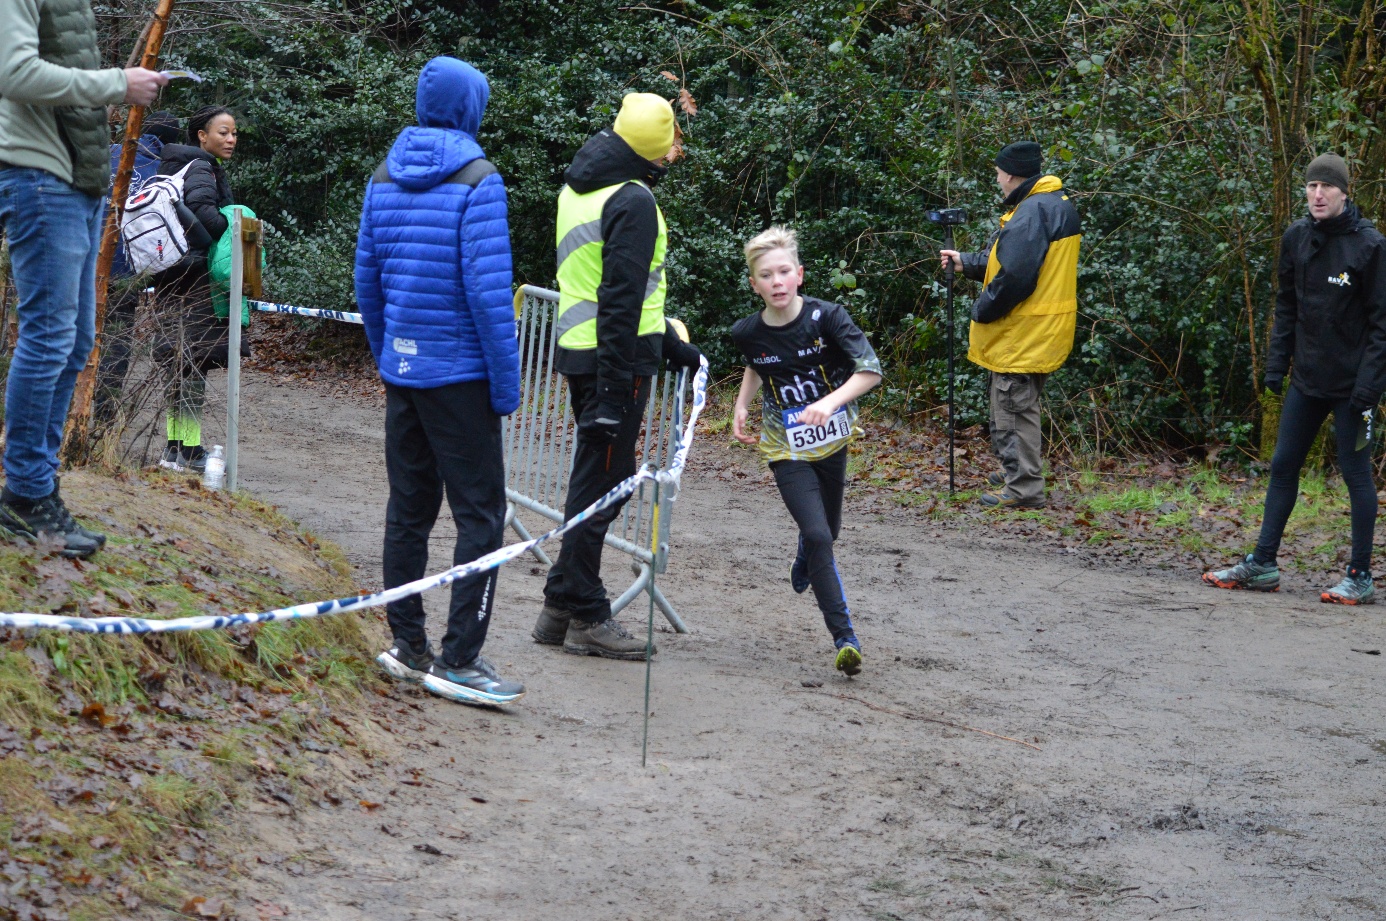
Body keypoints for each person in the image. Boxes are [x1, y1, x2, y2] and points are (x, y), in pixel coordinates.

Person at [355, 57, 525, 706]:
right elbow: (489, 297)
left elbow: (366, 284)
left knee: (410, 509)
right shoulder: (480, 181)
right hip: (460, 377)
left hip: (405, 373)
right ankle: (459, 657)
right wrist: (505, 387)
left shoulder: (382, 176)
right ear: (470, 107)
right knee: (481, 517)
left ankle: (407, 644)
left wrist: (388, 356)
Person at [530, 92, 704, 660]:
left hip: (589, 352)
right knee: (601, 485)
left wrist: (669, 344)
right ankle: (585, 610)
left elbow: (608, 286)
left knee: (596, 478)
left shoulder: (578, 187)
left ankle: (559, 607)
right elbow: (621, 296)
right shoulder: (634, 201)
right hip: (615, 364)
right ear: (653, 154)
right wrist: (613, 388)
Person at [0, 0, 167, 558]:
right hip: (40, 177)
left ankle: (37, 489)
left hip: (76, 180)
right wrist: (117, 83)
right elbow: (13, 72)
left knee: (73, 343)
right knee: (49, 339)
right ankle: (23, 493)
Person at [1204, 153, 1386, 605]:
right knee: (1283, 466)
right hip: (1306, 379)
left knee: (1356, 476)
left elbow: (1383, 326)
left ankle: (1359, 575)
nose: (1318, 194)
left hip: (1353, 387)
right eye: (1310, 186)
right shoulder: (1297, 238)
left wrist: (1369, 387)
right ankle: (1263, 564)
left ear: (1345, 192)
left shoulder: (1370, 247)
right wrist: (1275, 365)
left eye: (1327, 187)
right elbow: (1287, 305)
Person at [730, 226, 882, 675]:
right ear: (754, 284)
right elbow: (757, 364)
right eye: (765, 275)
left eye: (782, 272)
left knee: (825, 534)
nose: (776, 282)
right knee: (819, 535)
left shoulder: (829, 317)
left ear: (799, 275)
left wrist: (829, 402)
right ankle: (845, 638)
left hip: (832, 438)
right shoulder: (746, 332)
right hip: (785, 446)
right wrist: (741, 404)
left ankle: (806, 558)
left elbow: (870, 370)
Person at [939, 140, 1082, 508]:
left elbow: (1015, 277)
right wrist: (967, 263)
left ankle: (1023, 488)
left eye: (999, 173)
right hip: (1039, 328)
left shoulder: (1032, 212)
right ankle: (1014, 469)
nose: (998, 179)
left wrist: (982, 309)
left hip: (1023, 330)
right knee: (1015, 404)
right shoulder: (1050, 203)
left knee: (1013, 409)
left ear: (1013, 174)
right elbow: (1012, 261)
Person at [152, 105, 240, 474]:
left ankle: (175, 447)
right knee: (194, 364)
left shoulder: (172, 165)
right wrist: (237, 222)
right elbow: (204, 213)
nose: (231, 139)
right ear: (201, 136)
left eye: (234, 133)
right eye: (223, 132)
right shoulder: (201, 166)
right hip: (195, 279)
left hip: (171, 275)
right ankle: (189, 449)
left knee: (181, 363)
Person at [94, 110, 181, 428]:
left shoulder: (113, 153)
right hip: (124, 272)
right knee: (115, 345)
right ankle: (102, 421)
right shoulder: (166, 171)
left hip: (85, 260)